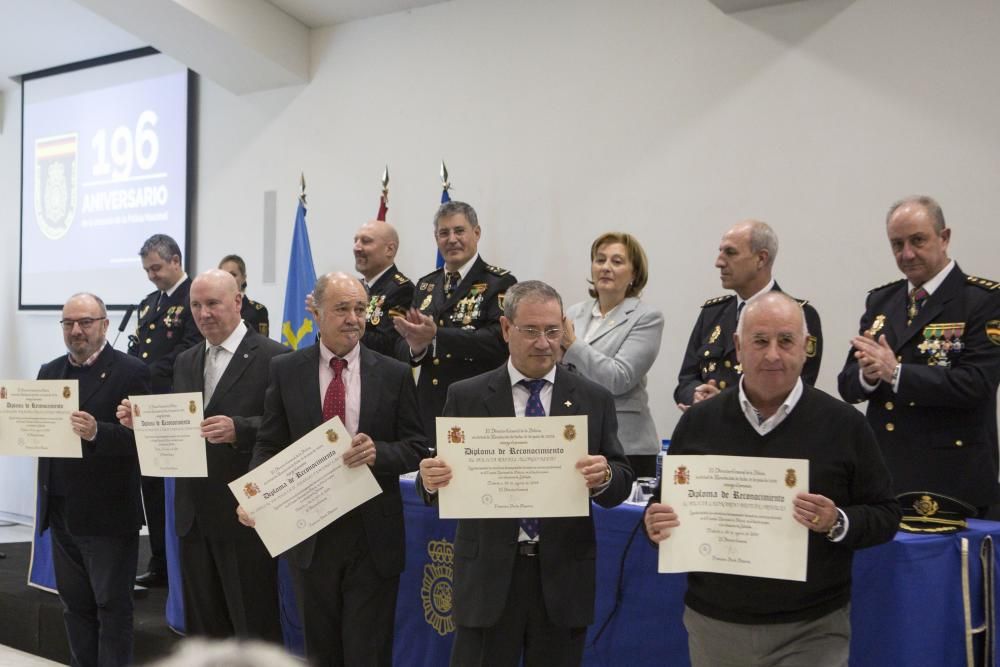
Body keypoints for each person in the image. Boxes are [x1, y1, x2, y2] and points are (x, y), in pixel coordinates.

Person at [646, 292, 899, 667]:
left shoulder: (845, 425)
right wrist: (654, 524)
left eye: (786, 341)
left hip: (811, 628)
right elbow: (663, 509)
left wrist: (837, 521)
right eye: (760, 341)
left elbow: (886, 515)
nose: (773, 355)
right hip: (715, 624)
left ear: (805, 347)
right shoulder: (698, 422)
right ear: (737, 346)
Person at [418, 281, 634, 666]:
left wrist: (604, 477)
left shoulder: (592, 398)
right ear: (505, 329)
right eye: (531, 331)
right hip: (487, 578)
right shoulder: (466, 396)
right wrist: (429, 479)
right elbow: (435, 480)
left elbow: (621, 479)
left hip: (562, 579)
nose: (543, 343)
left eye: (553, 331)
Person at [241, 272, 428, 666]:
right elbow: (270, 442)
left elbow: (414, 447)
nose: (353, 318)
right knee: (320, 651)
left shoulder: (393, 373)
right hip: (310, 533)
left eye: (360, 309)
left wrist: (380, 453)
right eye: (342, 308)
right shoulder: (286, 369)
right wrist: (253, 496)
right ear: (316, 312)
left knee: (368, 652)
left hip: (372, 536)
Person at [117, 270, 287, 642]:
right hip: (193, 516)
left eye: (213, 303)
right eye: (196, 305)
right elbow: (183, 426)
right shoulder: (187, 360)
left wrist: (239, 429)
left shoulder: (276, 359)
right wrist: (142, 424)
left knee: (252, 628)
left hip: (245, 516)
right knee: (205, 633)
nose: (203, 313)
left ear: (238, 302)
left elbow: (289, 428)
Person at [838, 195, 1000, 512]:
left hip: (953, 478)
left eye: (918, 240)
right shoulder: (882, 302)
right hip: (887, 474)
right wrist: (868, 376)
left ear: (944, 238)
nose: (907, 254)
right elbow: (847, 385)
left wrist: (897, 374)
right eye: (897, 244)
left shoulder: (982, 301)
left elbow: (978, 383)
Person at [37, 293, 151, 667]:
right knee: (74, 607)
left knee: (111, 608)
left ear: (104, 324)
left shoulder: (132, 372)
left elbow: (146, 441)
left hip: (108, 516)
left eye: (85, 322)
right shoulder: (49, 372)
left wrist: (97, 433)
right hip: (61, 510)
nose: (76, 331)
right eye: (69, 323)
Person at [394, 201, 517, 444]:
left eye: (459, 231)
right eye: (444, 233)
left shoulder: (499, 282)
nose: (451, 239)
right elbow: (403, 345)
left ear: (477, 233)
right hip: (431, 405)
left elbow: (499, 341)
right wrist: (416, 347)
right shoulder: (426, 285)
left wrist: (437, 337)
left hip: (479, 403)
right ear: (436, 238)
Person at [674, 220, 822, 410]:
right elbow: (686, 379)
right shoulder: (713, 314)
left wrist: (727, 403)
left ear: (761, 259)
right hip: (710, 432)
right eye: (720, 252)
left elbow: (800, 388)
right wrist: (697, 396)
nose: (718, 262)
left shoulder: (798, 315)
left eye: (730, 252)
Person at [129, 233, 202, 587]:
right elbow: (140, 348)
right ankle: (159, 559)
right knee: (152, 488)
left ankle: (179, 562)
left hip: (177, 406)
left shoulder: (195, 298)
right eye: (147, 270)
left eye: (156, 267)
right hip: (148, 406)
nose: (152, 275)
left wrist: (146, 372)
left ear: (176, 260)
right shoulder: (148, 303)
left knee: (178, 491)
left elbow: (190, 349)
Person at [562, 232, 664, 477]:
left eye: (616, 262)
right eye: (600, 260)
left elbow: (619, 378)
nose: (606, 267)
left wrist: (573, 346)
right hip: (575, 438)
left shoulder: (646, 317)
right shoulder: (575, 312)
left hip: (627, 444)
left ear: (635, 274)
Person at [353, 219, 413, 356]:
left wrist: (341, 330)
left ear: (389, 250)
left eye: (366, 241)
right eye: (355, 241)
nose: (357, 248)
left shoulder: (402, 290)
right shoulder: (355, 288)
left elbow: (388, 344)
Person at [219, 254, 270, 337]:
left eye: (233, 274)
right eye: (224, 275)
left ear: (243, 278)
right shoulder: (213, 309)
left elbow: (262, 345)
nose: (228, 278)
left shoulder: (257, 311)